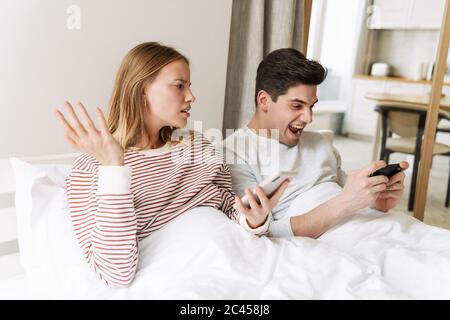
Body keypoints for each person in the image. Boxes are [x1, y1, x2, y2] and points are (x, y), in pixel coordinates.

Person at [54, 42, 288, 287]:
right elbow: (115, 274)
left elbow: (230, 209)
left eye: (189, 86)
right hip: (184, 280)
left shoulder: (198, 145)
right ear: (142, 89)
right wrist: (114, 167)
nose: (191, 97)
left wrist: (254, 220)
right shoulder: (94, 168)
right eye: (179, 86)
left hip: (242, 263)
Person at [224, 48, 409, 239]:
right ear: (264, 101)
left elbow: (347, 191)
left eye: (311, 106)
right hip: (336, 237)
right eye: (297, 106)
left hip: (367, 224)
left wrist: (378, 199)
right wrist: (346, 202)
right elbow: (264, 231)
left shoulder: (320, 142)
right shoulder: (234, 152)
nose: (308, 118)